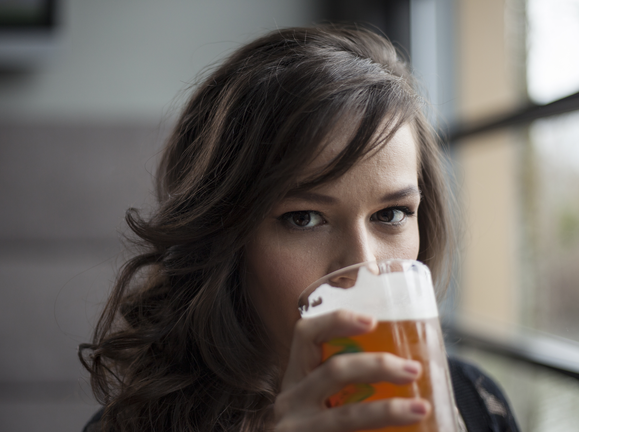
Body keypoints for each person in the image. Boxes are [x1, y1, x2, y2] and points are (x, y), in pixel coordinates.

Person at [79, 25, 519, 432]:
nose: (363, 266)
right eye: (304, 219)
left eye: (391, 215)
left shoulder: (475, 404)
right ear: (225, 239)